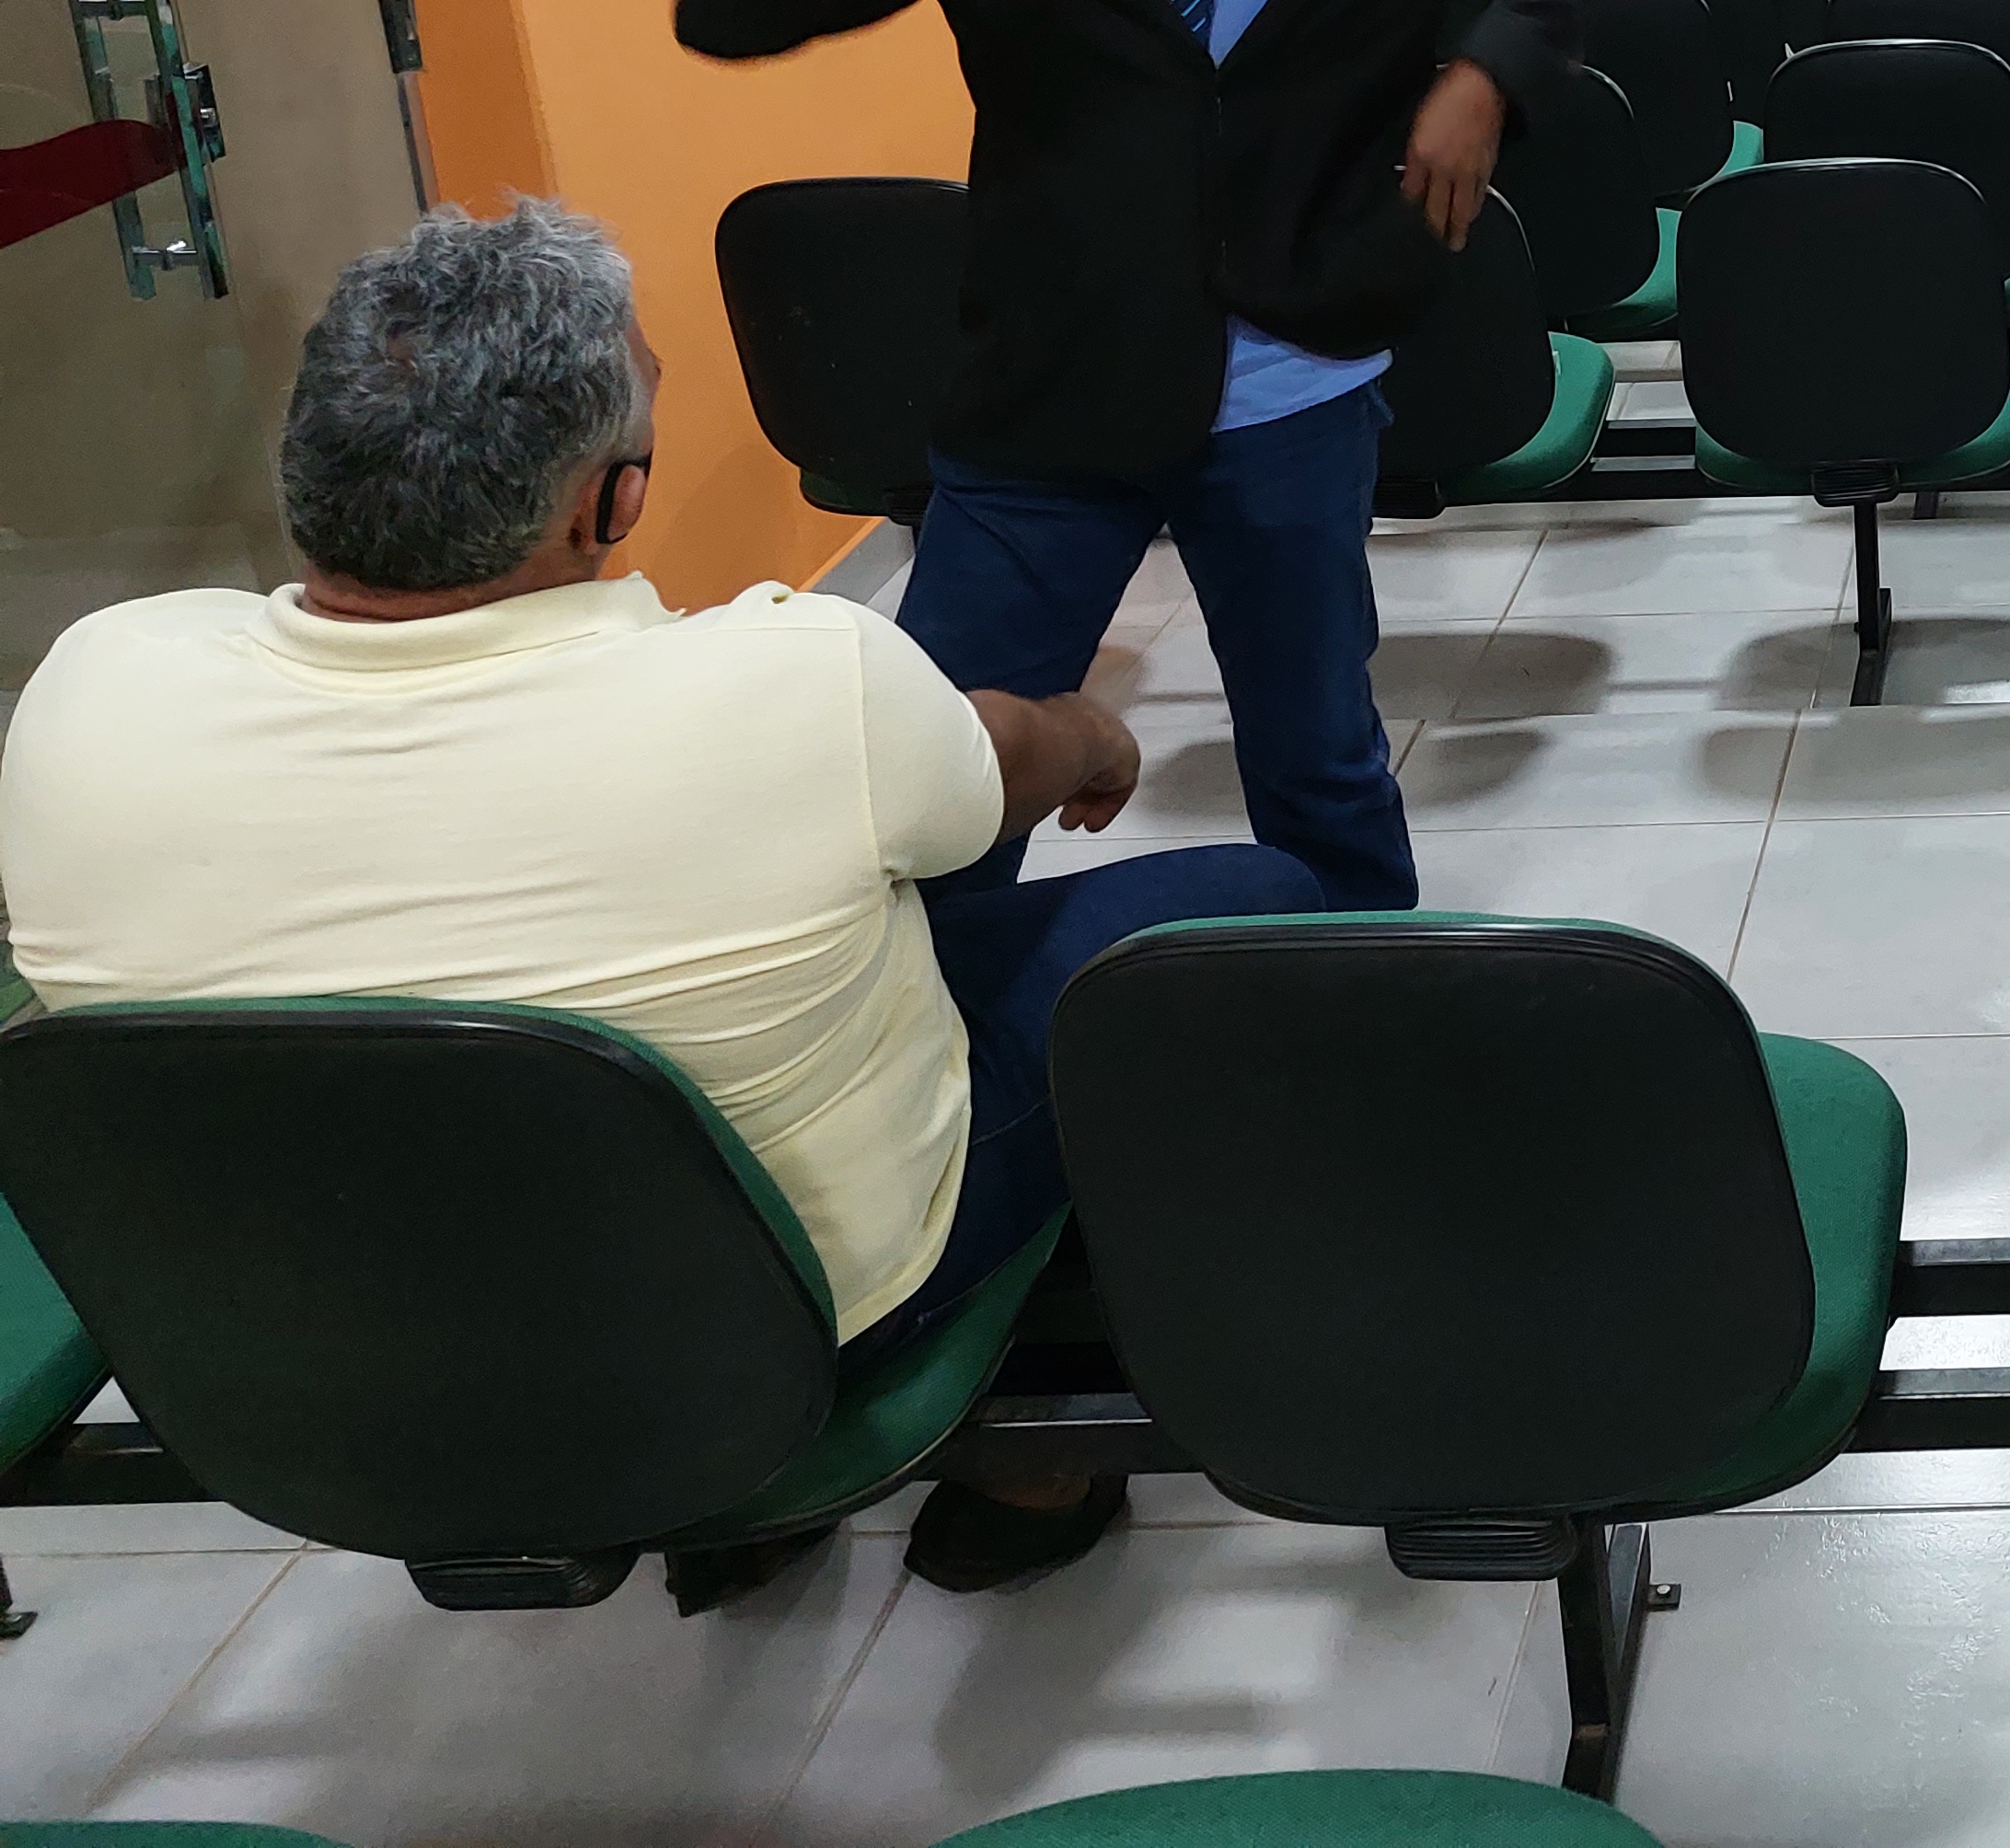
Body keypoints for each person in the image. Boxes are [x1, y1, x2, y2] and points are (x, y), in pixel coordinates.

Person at [0, 202, 1323, 1605]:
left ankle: (747, 1516)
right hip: (771, 1339)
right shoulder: (798, 684)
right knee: (1251, 906)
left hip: (308, 1355)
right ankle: (1036, 1454)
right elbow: (998, 766)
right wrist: (1093, 735)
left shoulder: (87, 696)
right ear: (609, 503)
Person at [676, 0, 1573, 918]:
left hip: (1289, 379)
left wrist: (1480, 80)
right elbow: (724, 14)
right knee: (946, 768)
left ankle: (1367, 1011)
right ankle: (946, 1027)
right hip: (1053, 379)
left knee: (1320, 757)